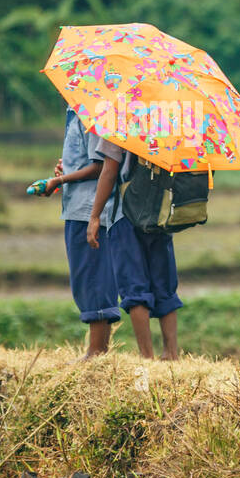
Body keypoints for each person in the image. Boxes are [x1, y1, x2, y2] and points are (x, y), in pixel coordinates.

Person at [85, 138, 182, 360]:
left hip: (125, 215)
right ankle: (171, 354)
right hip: (162, 213)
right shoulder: (172, 120)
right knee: (164, 284)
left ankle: (147, 356)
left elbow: (109, 171)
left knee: (134, 287)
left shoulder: (121, 119)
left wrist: (94, 216)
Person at [35, 108, 120, 357]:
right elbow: (86, 159)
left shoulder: (91, 112)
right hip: (79, 206)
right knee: (89, 277)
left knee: (92, 277)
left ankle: (96, 351)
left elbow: (102, 165)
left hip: (89, 207)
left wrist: (60, 181)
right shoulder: (75, 112)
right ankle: (98, 351)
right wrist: (67, 170)